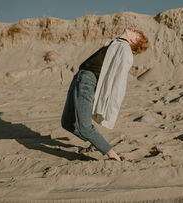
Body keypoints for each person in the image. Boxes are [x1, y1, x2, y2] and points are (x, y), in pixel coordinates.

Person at [61, 28, 149, 161]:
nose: (132, 29)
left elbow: (120, 79)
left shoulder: (125, 49)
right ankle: (97, 143)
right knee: (67, 123)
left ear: (133, 41)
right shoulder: (116, 43)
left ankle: (112, 154)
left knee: (84, 127)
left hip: (87, 82)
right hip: (79, 78)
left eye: (136, 32)